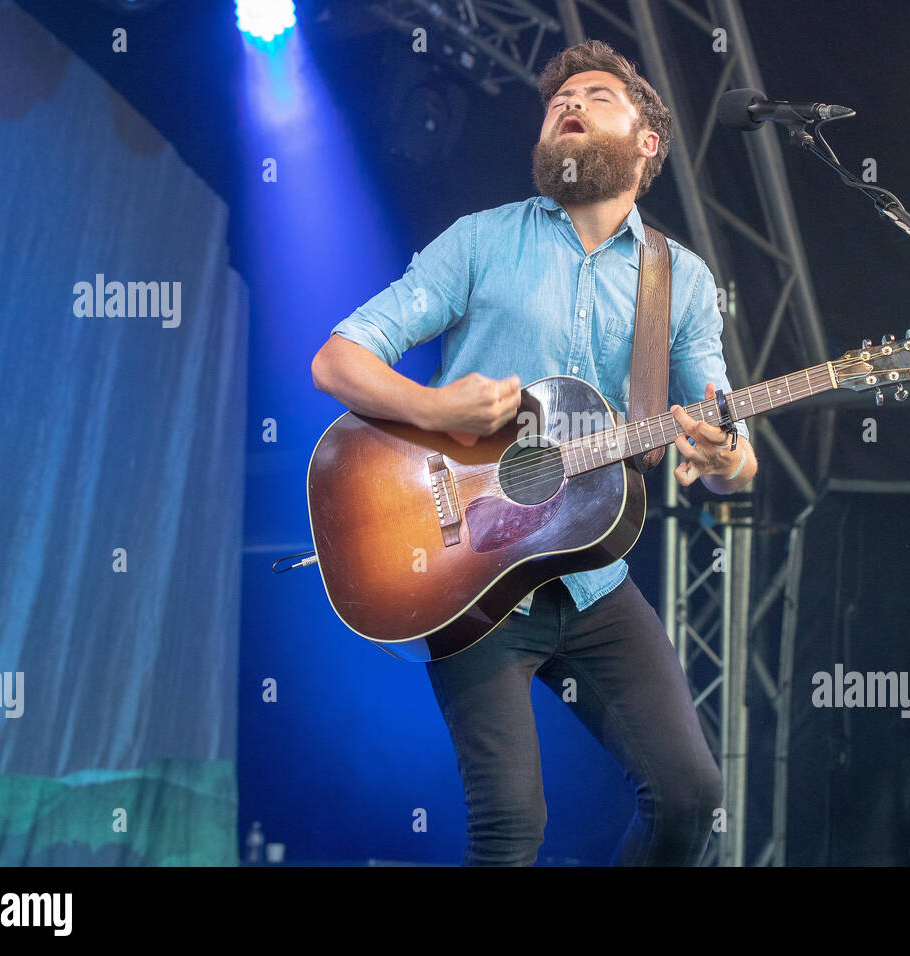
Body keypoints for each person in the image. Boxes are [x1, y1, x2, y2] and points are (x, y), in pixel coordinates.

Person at [311, 39, 759, 865]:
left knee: (692, 797)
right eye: (558, 99)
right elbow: (337, 358)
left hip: (592, 582)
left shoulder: (680, 280)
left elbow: (728, 441)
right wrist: (437, 403)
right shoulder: (482, 241)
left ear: (646, 142)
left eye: (595, 95)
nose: (567, 104)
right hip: (471, 581)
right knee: (512, 828)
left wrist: (724, 452)